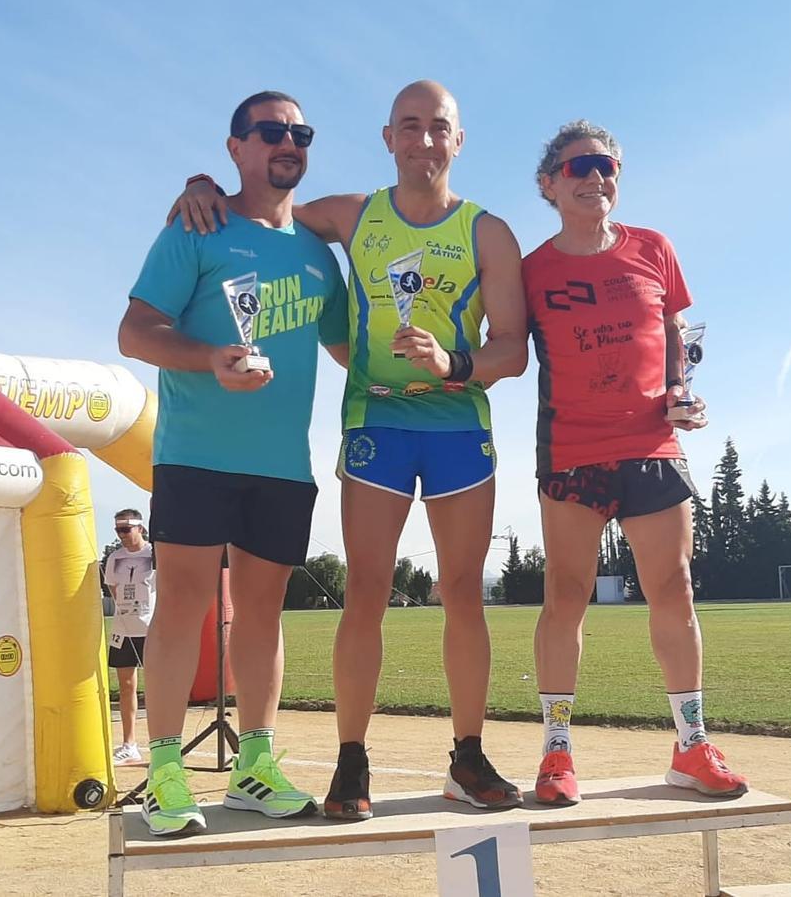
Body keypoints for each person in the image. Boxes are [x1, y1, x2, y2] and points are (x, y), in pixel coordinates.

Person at [168, 80, 528, 819]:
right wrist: (201, 185)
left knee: (461, 592)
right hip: (376, 424)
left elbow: (513, 350)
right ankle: (351, 760)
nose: (424, 141)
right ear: (387, 137)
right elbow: (266, 206)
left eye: (438, 128)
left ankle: (467, 754)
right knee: (366, 590)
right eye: (409, 127)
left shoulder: (488, 232)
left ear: (458, 141)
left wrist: (455, 366)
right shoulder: (352, 216)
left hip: (458, 424)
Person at [120, 90, 350, 836]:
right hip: (195, 453)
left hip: (282, 462)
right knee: (183, 604)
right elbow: (135, 331)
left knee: (261, 613)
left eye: (301, 133)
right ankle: (162, 771)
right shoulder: (200, 224)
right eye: (272, 131)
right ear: (236, 148)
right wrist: (208, 359)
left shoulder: (318, 254)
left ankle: (254, 765)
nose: (289, 142)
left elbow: (350, 350)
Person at [522, 120, 746, 806]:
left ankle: (691, 744)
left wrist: (687, 396)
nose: (596, 177)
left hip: (652, 443)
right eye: (580, 166)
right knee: (565, 596)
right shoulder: (531, 270)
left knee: (674, 586)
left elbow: (677, 333)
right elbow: (502, 341)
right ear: (549, 183)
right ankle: (557, 753)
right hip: (571, 448)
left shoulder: (654, 248)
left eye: (608, 166)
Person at [103, 509, 154, 765]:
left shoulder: (154, 555)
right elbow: (113, 587)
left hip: (151, 628)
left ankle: (162, 743)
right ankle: (129, 744)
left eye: (126, 529)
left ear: (140, 528)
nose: (122, 534)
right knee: (126, 686)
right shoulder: (114, 559)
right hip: (123, 630)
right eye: (118, 530)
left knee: (157, 687)